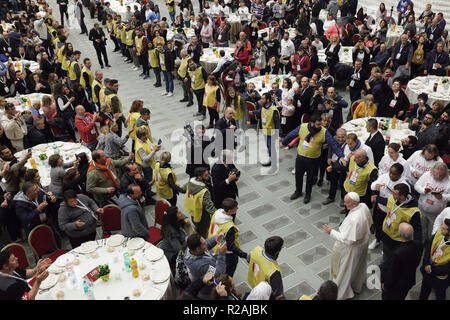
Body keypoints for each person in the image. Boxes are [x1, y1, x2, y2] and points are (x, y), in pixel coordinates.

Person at [282, 113, 346, 204]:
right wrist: (284, 142)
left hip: (313, 160)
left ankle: (308, 194)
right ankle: (298, 191)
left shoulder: (324, 132)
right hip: (300, 157)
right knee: (298, 176)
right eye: (318, 124)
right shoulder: (303, 127)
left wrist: (341, 156)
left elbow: (333, 144)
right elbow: (291, 135)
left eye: (320, 123)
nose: (320, 126)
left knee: (310, 178)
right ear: (311, 123)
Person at [322, 192, 372, 300]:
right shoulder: (363, 206)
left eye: (346, 202)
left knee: (344, 271)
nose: (344, 204)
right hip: (361, 244)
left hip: (351, 249)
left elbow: (348, 241)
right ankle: (355, 285)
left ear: (354, 203)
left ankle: (340, 292)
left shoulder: (355, 219)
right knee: (356, 268)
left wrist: (331, 232)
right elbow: (369, 223)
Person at [376, 183, 422, 286]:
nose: (392, 194)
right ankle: (384, 267)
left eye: (395, 193)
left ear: (402, 196)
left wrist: (417, 245)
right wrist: (377, 198)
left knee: (391, 261)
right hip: (386, 234)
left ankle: (384, 278)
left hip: (397, 241)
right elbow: (388, 202)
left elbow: (417, 229)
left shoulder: (413, 212)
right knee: (386, 257)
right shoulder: (393, 199)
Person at [369, 163, 408, 250]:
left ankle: (386, 245)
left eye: (394, 174)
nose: (391, 175)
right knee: (379, 225)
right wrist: (376, 186)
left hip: (393, 212)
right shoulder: (384, 177)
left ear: (400, 174)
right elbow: (372, 186)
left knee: (390, 229)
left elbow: (398, 202)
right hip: (381, 208)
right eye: (390, 172)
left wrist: (378, 199)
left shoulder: (404, 185)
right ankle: (377, 240)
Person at [382, 222, 424, 300]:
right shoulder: (419, 245)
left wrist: (386, 285)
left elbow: (392, 272)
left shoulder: (397, 253)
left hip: (396, 285)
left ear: (400, 234)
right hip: (409, 280)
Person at [208, 198, 248, 277]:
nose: (237, 208)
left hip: (215, 246)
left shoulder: (216, 213)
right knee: (229, 271)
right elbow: (230, 246)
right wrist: (244, 254)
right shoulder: (229, 227)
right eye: (236, 208)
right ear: (230, 211)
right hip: (228, 253)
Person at [184, 232, 227, 300]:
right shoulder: (200, 265)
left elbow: (206, 244)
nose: (206, 243)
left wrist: (216, 238)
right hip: (208, 292)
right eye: (204, 244)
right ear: (198, 249)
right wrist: (221, 254)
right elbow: (218, 274)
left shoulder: (190, 249)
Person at [415, 162, 450, 242]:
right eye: (436, 174)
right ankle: (422, 243)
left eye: (441, 175)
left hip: (436, 213)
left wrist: (443, 197)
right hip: (422, 208)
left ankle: (430, 244)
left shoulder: (448, 181)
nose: (438, 176)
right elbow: (416, 185)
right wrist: (424, 190)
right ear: (433, 171)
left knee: (432, 230)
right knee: (422, 227)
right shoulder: (427, 175)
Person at [419, 218, 450, 300]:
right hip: (428, 270)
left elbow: (448, 268)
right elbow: (428, 248)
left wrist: (431, 269)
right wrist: (426, 264)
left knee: (440, 295)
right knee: (424, 292)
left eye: (444, 229)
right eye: (442, 227)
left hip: (441, 278)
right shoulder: (439, 233)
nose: (441, 229)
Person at [183, 166, 216, 238]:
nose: (209, 176)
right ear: (200, 177)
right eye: (206, 175)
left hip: (193, 211)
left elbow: (182, 189)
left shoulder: (190, 183)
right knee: (203, 233)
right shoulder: (203, 191)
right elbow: (209, 206)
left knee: (197, 227)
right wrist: (218, 215)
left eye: (208, 174)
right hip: (202, 216)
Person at [249, 93, 280, 168]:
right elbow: (260, 111)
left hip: (271, 133)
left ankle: (273, 161)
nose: (261, 100)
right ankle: (271, 159)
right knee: (269, 146)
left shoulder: (274, 110)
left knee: (271, 147)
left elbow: (278, 124)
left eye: (263, 99)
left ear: (268, 100)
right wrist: (253, 112)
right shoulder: (264, 107)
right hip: (265, 131)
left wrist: (280, 135)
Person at [323, 128, 348, 205]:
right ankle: (331, 197)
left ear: (346, 136)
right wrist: (329, 156)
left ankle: (343, 199)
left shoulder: (348, 144)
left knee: (342, 183)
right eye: (339, 137)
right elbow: (331, 147)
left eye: (343, 137)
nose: (340, 139)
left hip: (342, 165)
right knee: (333, 181)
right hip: (334, 162)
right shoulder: (333, 138)